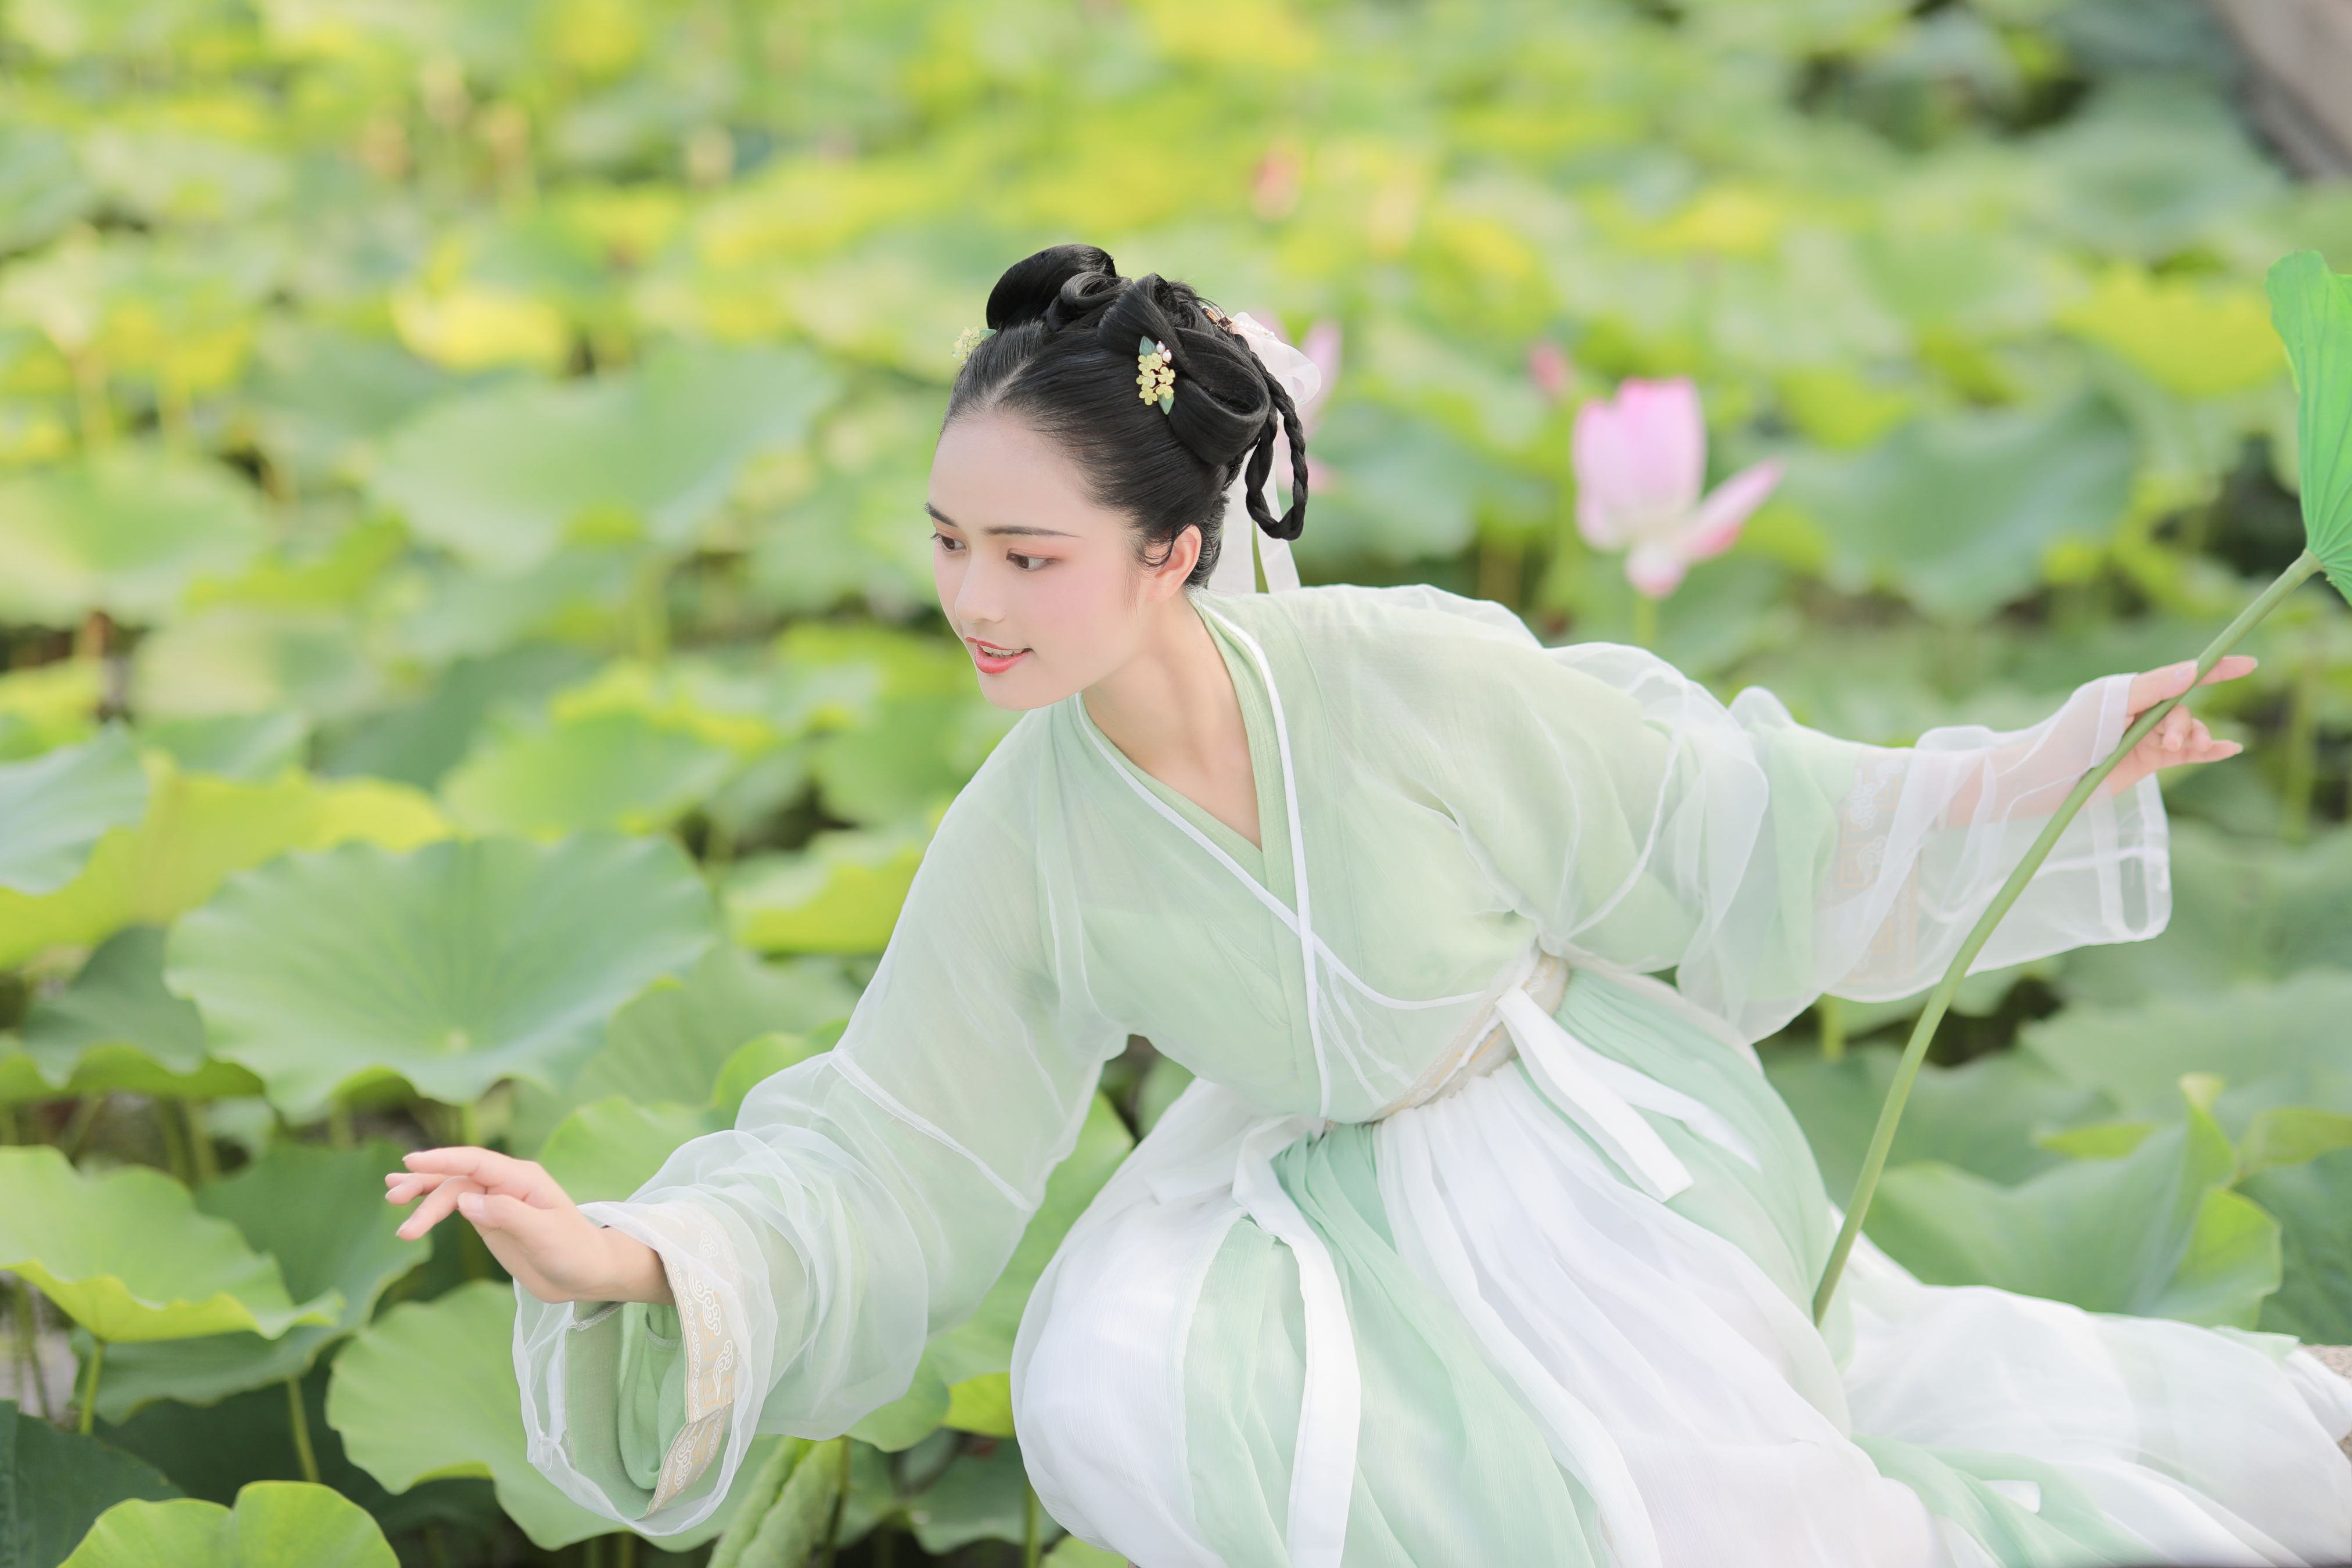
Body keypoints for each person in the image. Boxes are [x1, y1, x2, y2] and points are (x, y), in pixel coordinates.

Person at [386, 244, 2352, 1567]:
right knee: (1106, 1392)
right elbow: (896, 1143)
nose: (973, 602)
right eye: (946, 547)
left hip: (1570, 1159)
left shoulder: (1403, 680)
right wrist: (639, 1256)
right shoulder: (1028, 831)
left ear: (1170, 547)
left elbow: (1730, 822)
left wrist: (2046, 765)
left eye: (1024, 552)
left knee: (1726, 1506)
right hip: (1289, 1200)